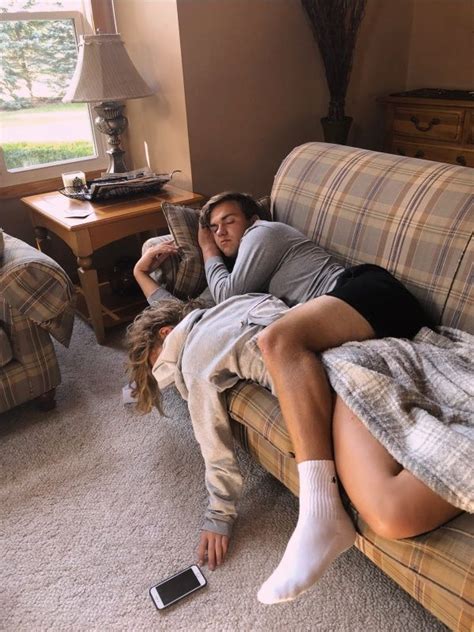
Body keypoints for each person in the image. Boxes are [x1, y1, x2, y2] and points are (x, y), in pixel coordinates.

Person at [126, 292, 461, 604]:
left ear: (167, 333)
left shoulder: (194, 358)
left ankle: (323, 519)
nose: (166, 380)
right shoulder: (235, 303)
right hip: (360, 347)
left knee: (391, 510)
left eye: (158, 369)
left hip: (334, 377)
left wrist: (218, 515)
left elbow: (212, 444)